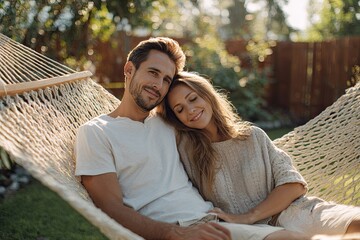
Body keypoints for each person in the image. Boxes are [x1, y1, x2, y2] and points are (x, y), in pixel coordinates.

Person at [75, 37, 309, 240]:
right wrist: (175, 234)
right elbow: (109, 208)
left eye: (167, 79)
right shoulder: (96, 132)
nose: (158, 85)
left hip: (214, 221)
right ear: (129, 70)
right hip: (176, 231)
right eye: (153, 73)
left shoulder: (168, 123)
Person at [158, 71, 360, 238]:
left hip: (296, 212)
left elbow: (293, 185)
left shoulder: (252, 136)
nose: (190, 110)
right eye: (180, 109)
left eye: (193, 98)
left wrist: (249, 215)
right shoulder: (187, 153)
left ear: (208, 96)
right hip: (255, 234)